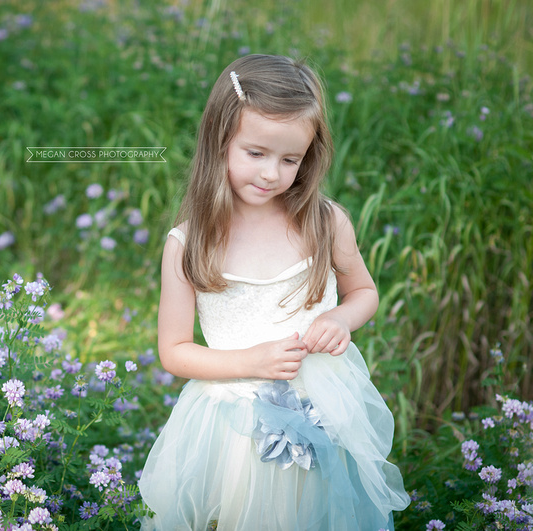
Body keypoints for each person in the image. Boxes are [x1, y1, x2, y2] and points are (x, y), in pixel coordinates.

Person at [138, 54, 410, 530]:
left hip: (323, 409)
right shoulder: (189, 242)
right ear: (219, 140)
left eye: (290, 160)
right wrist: (252, 362)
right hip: (231, 425)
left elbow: (364, 291)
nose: (271, 174)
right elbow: (174, 351)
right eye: (256, 153)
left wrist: (341, 318)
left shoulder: (324, 222)